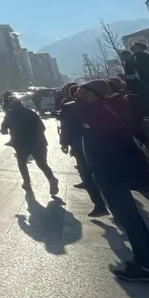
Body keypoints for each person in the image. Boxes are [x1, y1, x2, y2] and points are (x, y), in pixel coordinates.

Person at [76, 80, 149, 283]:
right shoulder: (98, 110)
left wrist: (100, 170)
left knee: (130, 220)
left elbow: (109, 146)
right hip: (113, 172)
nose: (77, 93)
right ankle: (147, 261)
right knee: (131, 220)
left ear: (92, 93)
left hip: (113, 173)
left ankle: (145, 266)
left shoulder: (100, 113)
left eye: (82, 90)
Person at [57, 85, 107, 217]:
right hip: (101, 144)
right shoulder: (99, 105)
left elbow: (64, 127)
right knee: (102, 175)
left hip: (80, 145)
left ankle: (100, 205)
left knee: (87, 175)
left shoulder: (68, 107)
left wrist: (64, 143)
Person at [1, 95, 59, 195]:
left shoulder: (10, 114)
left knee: (22, 163)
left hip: (21, 143)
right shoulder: (31, 112)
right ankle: (51, 179)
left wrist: (7, 131)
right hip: (38, 142)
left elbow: (4, 130)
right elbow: (42, 128)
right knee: (42, 163)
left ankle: (27, 182)